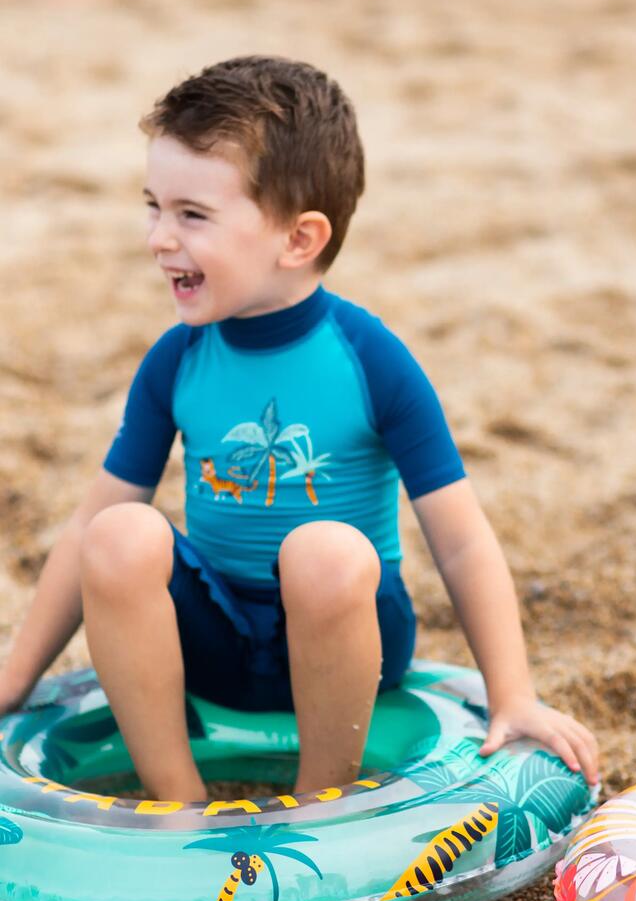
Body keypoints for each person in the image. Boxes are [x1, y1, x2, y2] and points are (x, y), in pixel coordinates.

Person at [0, 56, 599, 802]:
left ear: (298, 239)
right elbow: (91, 521)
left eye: (192, 215)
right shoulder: (177, 360)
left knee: (324, 549)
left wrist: (513, 693)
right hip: (213, 643)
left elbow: (461, 538)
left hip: (349, 641)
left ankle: (323, 801)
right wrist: (15, 676)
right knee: (120, 531)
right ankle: (176, 800)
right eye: (153, 205)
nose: (158, 237)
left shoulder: (369, 359)